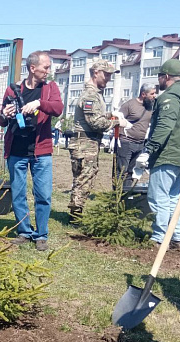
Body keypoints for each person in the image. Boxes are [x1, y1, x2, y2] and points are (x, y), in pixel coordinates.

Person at [0, 51, 63, 251]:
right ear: (33, 68)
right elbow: (1, 121)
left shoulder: (50, 88)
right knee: (18, 193)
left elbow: (58, 108)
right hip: (16, 150)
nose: (48, 71)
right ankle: (24, 231)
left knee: (43, 194)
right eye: (46, 67)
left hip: (40, 152)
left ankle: (41, 235)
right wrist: (4, 115)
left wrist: (39, 103)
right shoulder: (13, 89)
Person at [135, 59, 180, 250]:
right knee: (173, 197)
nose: (158, 80)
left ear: (167, 77)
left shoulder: (169, 97)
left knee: (158, 197)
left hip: (169, 154)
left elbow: (164, 126)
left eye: (160, 76)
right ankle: (179, 238)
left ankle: (159, 237)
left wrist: (149, 150)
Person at [67, 59, 120, 223]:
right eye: (106, 74)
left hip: (88, 142)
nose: (108, 78)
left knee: (85, 177)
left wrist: (109, 115)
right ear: (96, 73)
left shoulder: (95, 94)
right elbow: (95, 122)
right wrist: (116, 122)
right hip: (85, 143)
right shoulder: (90, 95)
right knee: (84, 179)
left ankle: (76, 212)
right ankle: (75, 216)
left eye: (110, 75)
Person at [113, 83, 157, 187]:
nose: (154, 96)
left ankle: (127, 196)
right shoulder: (129, 105)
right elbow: (117, 119)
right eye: (152, 93)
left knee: (131, 172)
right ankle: (117, 197)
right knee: (121, 171)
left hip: (140, 144)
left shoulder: (150, 107)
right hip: (126, 142)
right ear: (143, 94)